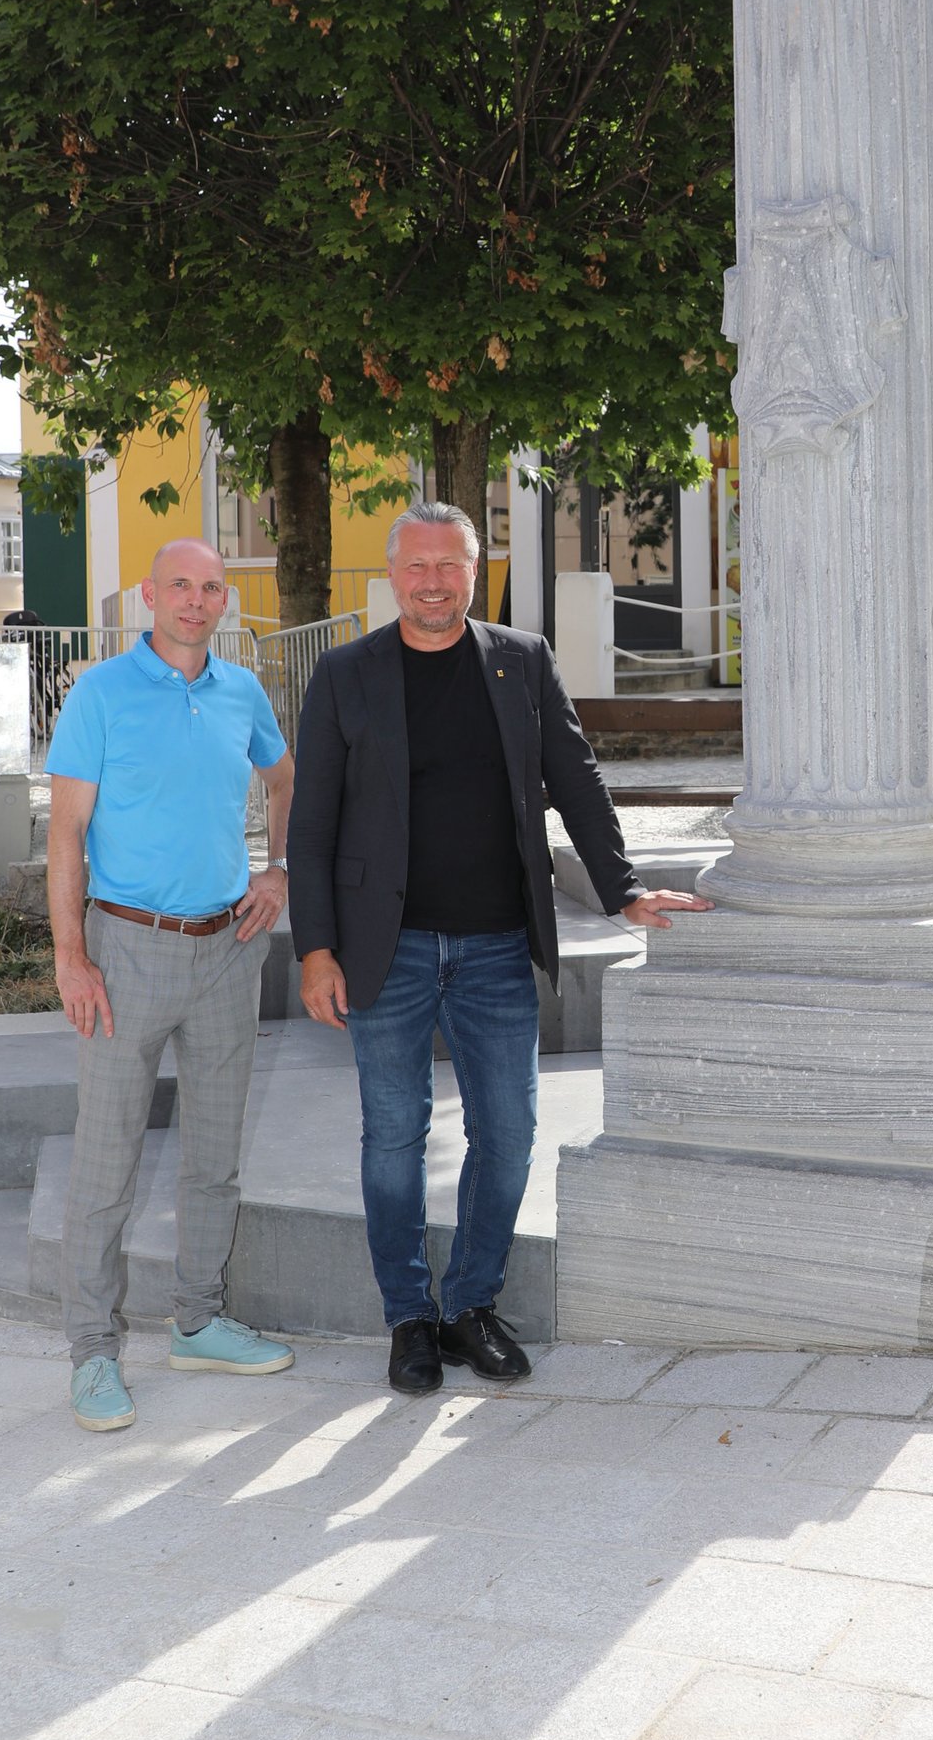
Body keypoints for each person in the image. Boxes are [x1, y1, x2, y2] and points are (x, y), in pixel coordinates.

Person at [288, 502, 708, 1394]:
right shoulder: (345, 675)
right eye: (417, 566)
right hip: (384, 950)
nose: (433, 582)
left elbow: (577, 779)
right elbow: (311, 822)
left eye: (451, 565)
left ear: (477, 571)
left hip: (494, 947)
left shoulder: (523, 662)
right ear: (392, 573)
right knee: (393, 1138)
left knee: (509, 1134)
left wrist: (622, 887)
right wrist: (315, 949)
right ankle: (408, 1318)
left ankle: (472, 1304)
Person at [47, 539, 297, 1433]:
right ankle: (91, 1353)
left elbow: (284, 777)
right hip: (126, 951)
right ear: (149, 596)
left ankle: (198, 1319)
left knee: (214, 1156)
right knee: (105, 1166)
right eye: (180, 586)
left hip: (229, 945)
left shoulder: (242, 692)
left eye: (212, 589)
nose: (196, 601)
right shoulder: (101, 693)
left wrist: (280, 870)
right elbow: (67, 836)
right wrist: (71, 956)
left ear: (226, 602)